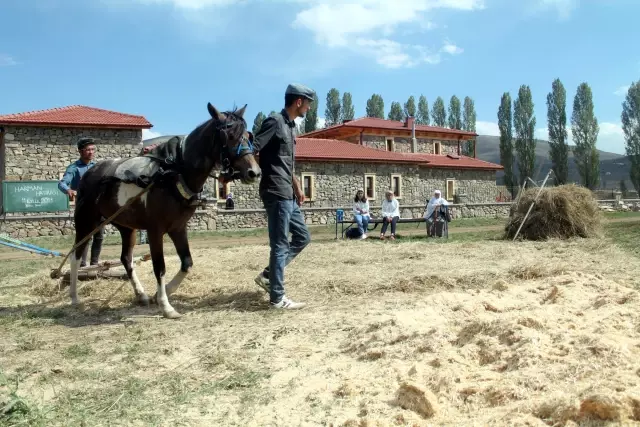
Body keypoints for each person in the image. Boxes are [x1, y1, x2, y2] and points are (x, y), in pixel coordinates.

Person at [251, 83, 315, 310]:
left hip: (288, 193)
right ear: (299, 102)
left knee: (302, 237)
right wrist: (264, 171)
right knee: (279, 245)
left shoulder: (290, 127)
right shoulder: (274, 122)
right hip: (275, 191)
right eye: (308, 103)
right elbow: (252, 148)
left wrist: (297, 187)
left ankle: (269, 276)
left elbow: (288, 163)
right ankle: (277, 298)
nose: (308, 107)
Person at [58, 137, 104, 267]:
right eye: (87, 150)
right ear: (80, 151)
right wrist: (68, 190)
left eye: (92, 149)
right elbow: (62, 183)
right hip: (84, 208)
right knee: (84, 237)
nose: (91, 152)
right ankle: (82, 265)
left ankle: (94, 264)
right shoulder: (74, 168)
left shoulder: (97, 167)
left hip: (99, 207)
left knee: (99, 236)